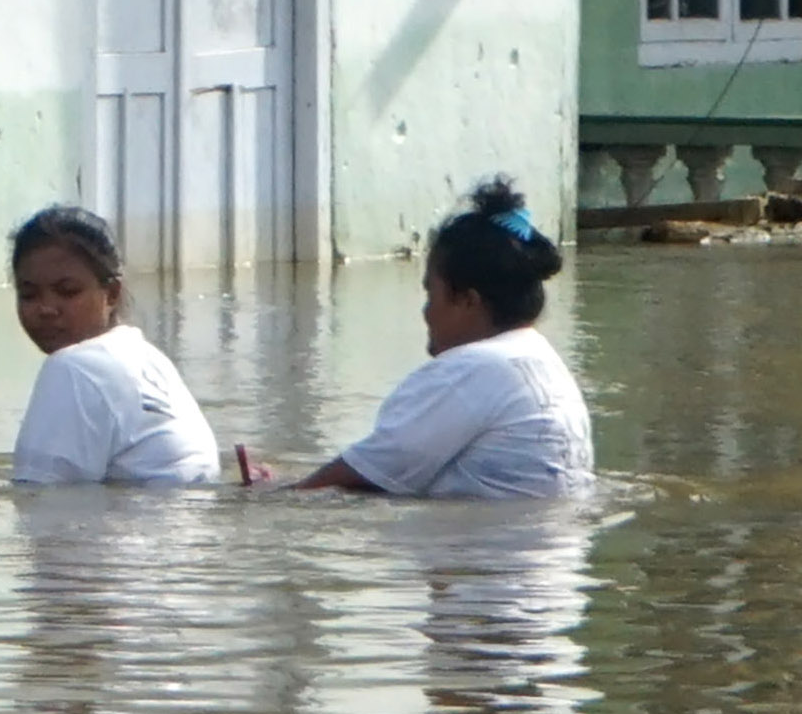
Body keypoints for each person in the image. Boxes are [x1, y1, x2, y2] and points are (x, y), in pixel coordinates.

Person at [242, 179, 594, 498]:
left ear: (467, 301)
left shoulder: (471, 369)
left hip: (490, 563)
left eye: (432, 295)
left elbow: (365, 473)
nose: (425, 313)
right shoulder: (545, 361)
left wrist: (273, 496)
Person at [4, 203, 220, 486]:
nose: (46, 309)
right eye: (29, 295)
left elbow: (39, 500)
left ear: (112, 293)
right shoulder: (147, 357)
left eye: (67, 292)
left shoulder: (73, 368)